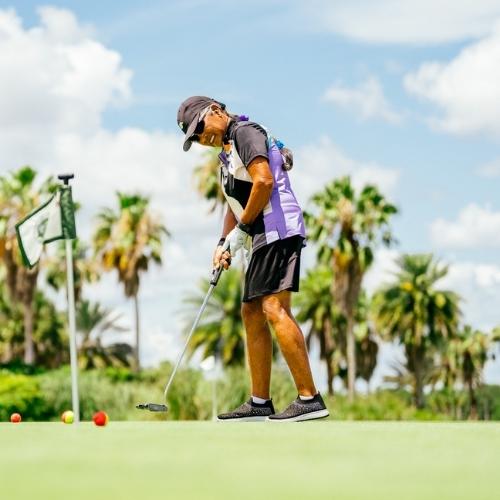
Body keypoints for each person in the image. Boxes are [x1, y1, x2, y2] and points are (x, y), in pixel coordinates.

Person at [177, 96, 329, 422]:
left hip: (276, 228)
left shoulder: (245, 132)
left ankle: (309, 398)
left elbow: (264, 181)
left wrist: (243, 229)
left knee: (274, 308)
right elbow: (235, 205)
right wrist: (224, 242)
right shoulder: (227, 153)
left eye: (200, 128)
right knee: (251, 311)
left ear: (215, 111)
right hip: (259, 236)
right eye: (195, 137)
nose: (202, 138)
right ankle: (260, 401)